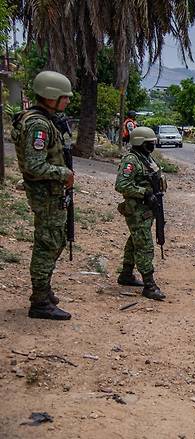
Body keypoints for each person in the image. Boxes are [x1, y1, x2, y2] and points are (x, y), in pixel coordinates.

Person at [10, 70, 74, 320]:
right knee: (47, 244)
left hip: (51, 192)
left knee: (55, 240)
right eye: (64, 97)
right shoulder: (38, 124)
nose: (67, 101)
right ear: (50, 96)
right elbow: (34, 166)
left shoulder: (44, 120)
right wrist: (63, 173)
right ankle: (39, 302)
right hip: (46, 194)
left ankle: (44, 290)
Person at [115, 127, 166, 301]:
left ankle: (126, 274)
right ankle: (149, 285)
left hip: (147, 209)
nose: (153, 145)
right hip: (136, 209)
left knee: (135, 240)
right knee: (144, 245)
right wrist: (144, 193)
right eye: (150, 143)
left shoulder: (145, 158)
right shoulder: (131, 160)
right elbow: (121, 184)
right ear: (140, 143)